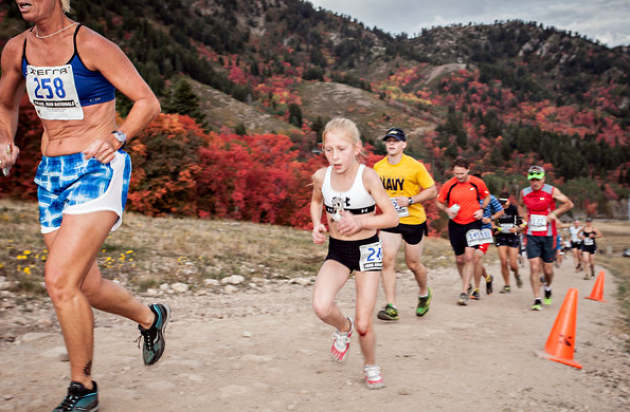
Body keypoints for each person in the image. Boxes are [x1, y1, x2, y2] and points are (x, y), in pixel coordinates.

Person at [0, 1, 168, 410]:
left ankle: (83, 386)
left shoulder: (91, 45)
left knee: (59, 280)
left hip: (97, 168)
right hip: (50, 174)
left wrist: (118, 137)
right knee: (86, 286)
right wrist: (5, 138)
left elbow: (147, 101)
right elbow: (5, 103)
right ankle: (150, 317)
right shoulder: (16, 49)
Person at [310, 117, 398, 390]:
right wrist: (316, 224)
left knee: (365, 324)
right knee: (321, 307)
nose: (335, 157)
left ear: (357, 147)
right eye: (328, 149)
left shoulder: (368, 177)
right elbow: (315, 201)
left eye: (341, 149)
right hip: (338, 249)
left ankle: (370, 365)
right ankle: (342, 328)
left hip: (367, 249)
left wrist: (361, 222)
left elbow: (392, 218)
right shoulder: (321, 176)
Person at [373, 127, 437, 321]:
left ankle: (424, 293)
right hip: (390, 219)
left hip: (413, 220)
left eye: (395, 141)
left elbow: (432, 190)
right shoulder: (378, 167)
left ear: (404, 144)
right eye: (388, 141)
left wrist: (410, 200)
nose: (391, 144)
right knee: (387, 260)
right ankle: (391, 306)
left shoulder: (415, 166)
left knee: (413, 263)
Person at [518, 166, 574, 311]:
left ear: (543, 178)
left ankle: (548, 288)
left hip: (549, 235)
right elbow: (519, 206)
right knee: (534, 266)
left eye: (538, 179)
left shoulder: (551, 191)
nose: (535, 182)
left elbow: (569, 204)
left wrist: (554, 214)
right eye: (532, 179)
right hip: (531, 235)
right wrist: (522, 221)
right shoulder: (524, 192)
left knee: (548, 270)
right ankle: (537, 299)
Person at [436, 157, 490, 306]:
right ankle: (467, 283)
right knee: (459, 260)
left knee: (468, 257)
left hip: (473, 222)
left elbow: (487, 197)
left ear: (467, 170)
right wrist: (446, 209)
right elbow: (438, 201)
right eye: (456, 173)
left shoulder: (476, 182)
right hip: (455, 224)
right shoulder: (449, 185)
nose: (459, 176)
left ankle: (464, 291)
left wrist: (481, 210)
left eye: (461, 173)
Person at [469, 178, 503, 300]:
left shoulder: (491, 198)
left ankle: (476, 290)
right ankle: (488, 277)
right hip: (470, 230)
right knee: (473, 260)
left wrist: (491, 218)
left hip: (485, 231)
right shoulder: (468, 196)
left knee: (477, 257)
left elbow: (500, 211)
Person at [493, 193, 523, 293]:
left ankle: (517, 275)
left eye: (505, 203)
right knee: (504, 262)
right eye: (501, 203)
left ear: (509, 201)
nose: (503, 206)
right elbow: (490, 220)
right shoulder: (496, 209)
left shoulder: (514, 209)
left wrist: (517, 228)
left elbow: (522, 223)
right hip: (501, 236)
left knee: (513, 265)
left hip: (513, 236)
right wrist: (494, 228)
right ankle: (507, 285)